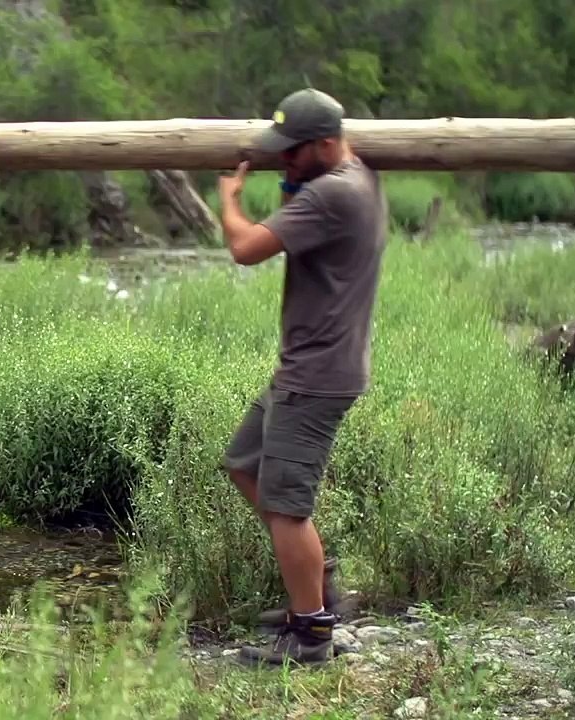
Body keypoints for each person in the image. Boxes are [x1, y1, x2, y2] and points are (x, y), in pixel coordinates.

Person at [214, 88, 386, 665]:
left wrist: (229, 199)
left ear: (327, 144)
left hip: (314, 377)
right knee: (244, 465)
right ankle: (317, 583)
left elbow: (245, 248)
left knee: (288, 507)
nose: (283, 160)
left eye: (292, 152)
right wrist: (292, 176)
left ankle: (311, 633)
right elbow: (304, 185)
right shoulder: (356, 174)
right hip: (313, 367)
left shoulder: (332, 195)